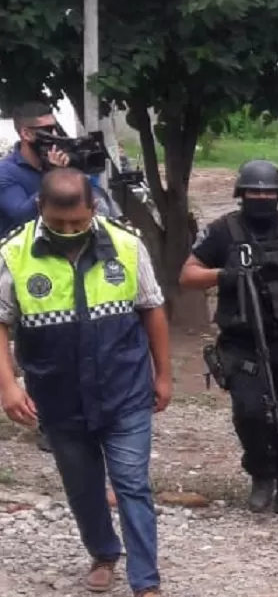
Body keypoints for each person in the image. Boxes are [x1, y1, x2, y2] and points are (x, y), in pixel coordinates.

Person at [0, 168, 171, 596]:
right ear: (41, 209)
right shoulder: (14, 253)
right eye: (59, 225)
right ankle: (103, 552)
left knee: (132, 483)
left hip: (125, 389)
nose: (70, 231)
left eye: (78, 223)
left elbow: (152, 309)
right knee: (83, 486)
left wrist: (164, 374)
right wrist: (8, 386)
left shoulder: (127, 246)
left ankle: (145, 581)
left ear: (93, 209)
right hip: (57, 396)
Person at [179, 160, 278, 521]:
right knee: (250, 413)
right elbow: (188, 275)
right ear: (242, 195)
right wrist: (225, 275)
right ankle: (261, 474)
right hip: (242, 343)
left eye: (269, 192)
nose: (262, 198)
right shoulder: (223, 231)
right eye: (255, 192)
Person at [0, 102, 118, 452]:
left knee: (77, 336)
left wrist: (81, 174)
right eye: (45, 130)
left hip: (70, 260)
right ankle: (47, 420)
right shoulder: (7, 173)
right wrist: (51, 178)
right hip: (24, 266)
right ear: (25, 133)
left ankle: (88, 413)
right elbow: (21, 215)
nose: (54, 137)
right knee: (38, 345)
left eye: (56, 127)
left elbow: (96, 206)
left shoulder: (64, 160)